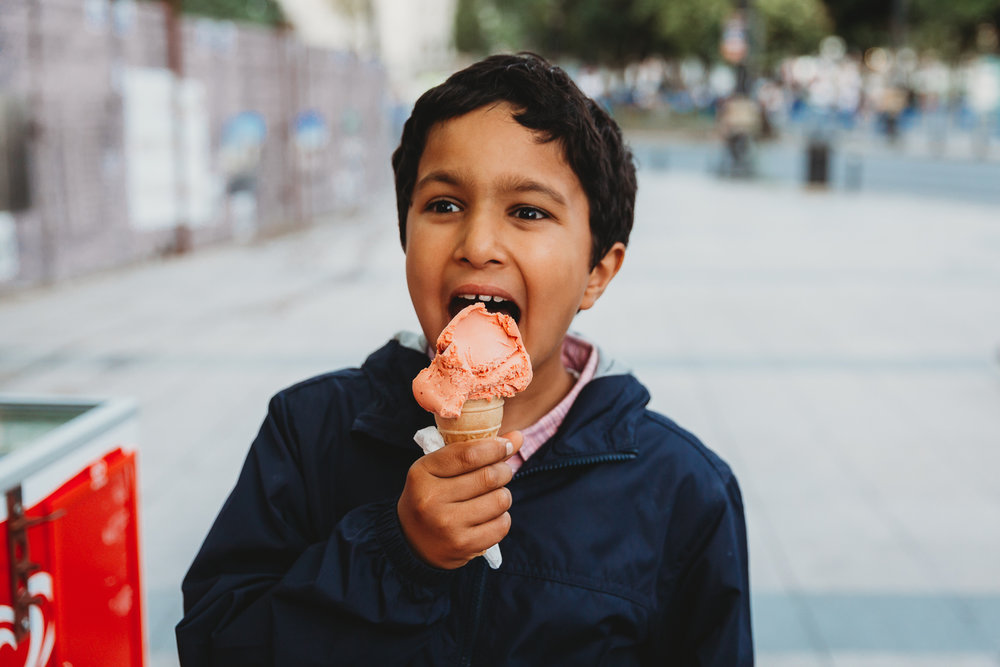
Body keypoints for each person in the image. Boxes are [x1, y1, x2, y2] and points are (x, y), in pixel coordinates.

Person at [176, 53, 753, 665]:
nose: (477, 244)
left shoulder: (684, 491)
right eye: (444, 205)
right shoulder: (309, 433)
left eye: (529, 211)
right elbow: (218, 645)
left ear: (596, 273)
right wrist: (393, 555)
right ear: (405, 238)